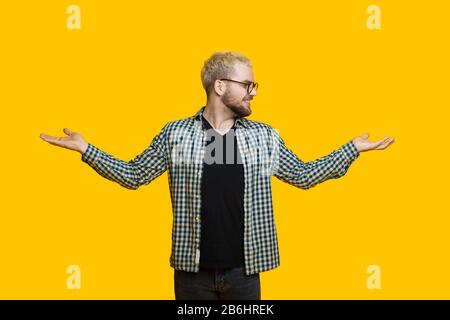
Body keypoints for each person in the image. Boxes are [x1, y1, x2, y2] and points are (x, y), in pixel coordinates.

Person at [40, 51, 395, 300]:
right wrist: (87, 149)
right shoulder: (175, 133)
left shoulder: (263, 135)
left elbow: (303, 175)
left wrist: (351, 149)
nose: (253, 91)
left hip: (245, 273)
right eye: (248, 84)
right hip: (192, 275)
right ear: (221, 86)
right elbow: (134, 175)